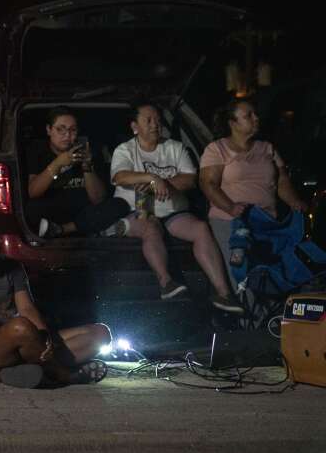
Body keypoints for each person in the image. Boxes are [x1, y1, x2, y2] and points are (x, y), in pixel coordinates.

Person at [0, 161, 110, 387]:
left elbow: (27, 308)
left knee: (101, 334)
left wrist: (43, 337)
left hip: (23, 343)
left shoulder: (11, 265)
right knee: (20, 326)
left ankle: (23, 369)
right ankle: (62, 374)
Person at [110, 102, 243, 313]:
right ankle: (166, 283)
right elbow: (119, 177)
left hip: (173, 211)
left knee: (201, 228)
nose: (155, 125)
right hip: (141, 209)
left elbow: (190, 180)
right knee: (151, 225)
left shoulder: (175, 147)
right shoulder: (125, 150)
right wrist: (153, 178)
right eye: (149, 120)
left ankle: (224, 293)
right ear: (135, 126)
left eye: (158, 120)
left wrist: (164, 184)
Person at [199, 98, 308, 287]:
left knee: (273, 275)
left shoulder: (267, 148)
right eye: (248, 115)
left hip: (266, 221)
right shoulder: (217, 149)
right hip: (231, 220)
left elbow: (281, 180)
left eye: (255, 114)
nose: (256, 118)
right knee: (243, 276)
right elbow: (208, 183)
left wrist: (294, 201)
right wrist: (231, 207)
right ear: (233, 123)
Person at [26, 106, 129, 238]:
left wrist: (87, 166)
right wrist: (57, 163)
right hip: (52, 210)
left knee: (119, 205)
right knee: (31, 209)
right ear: (49, 130)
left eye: (72, 130)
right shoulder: (37, 152)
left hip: (82, 211)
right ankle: (92, 228)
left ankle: (63, 229)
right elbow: (33, 192)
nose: (67, 135)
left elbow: (98, 199)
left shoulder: (88, 151)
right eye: (60, 129)